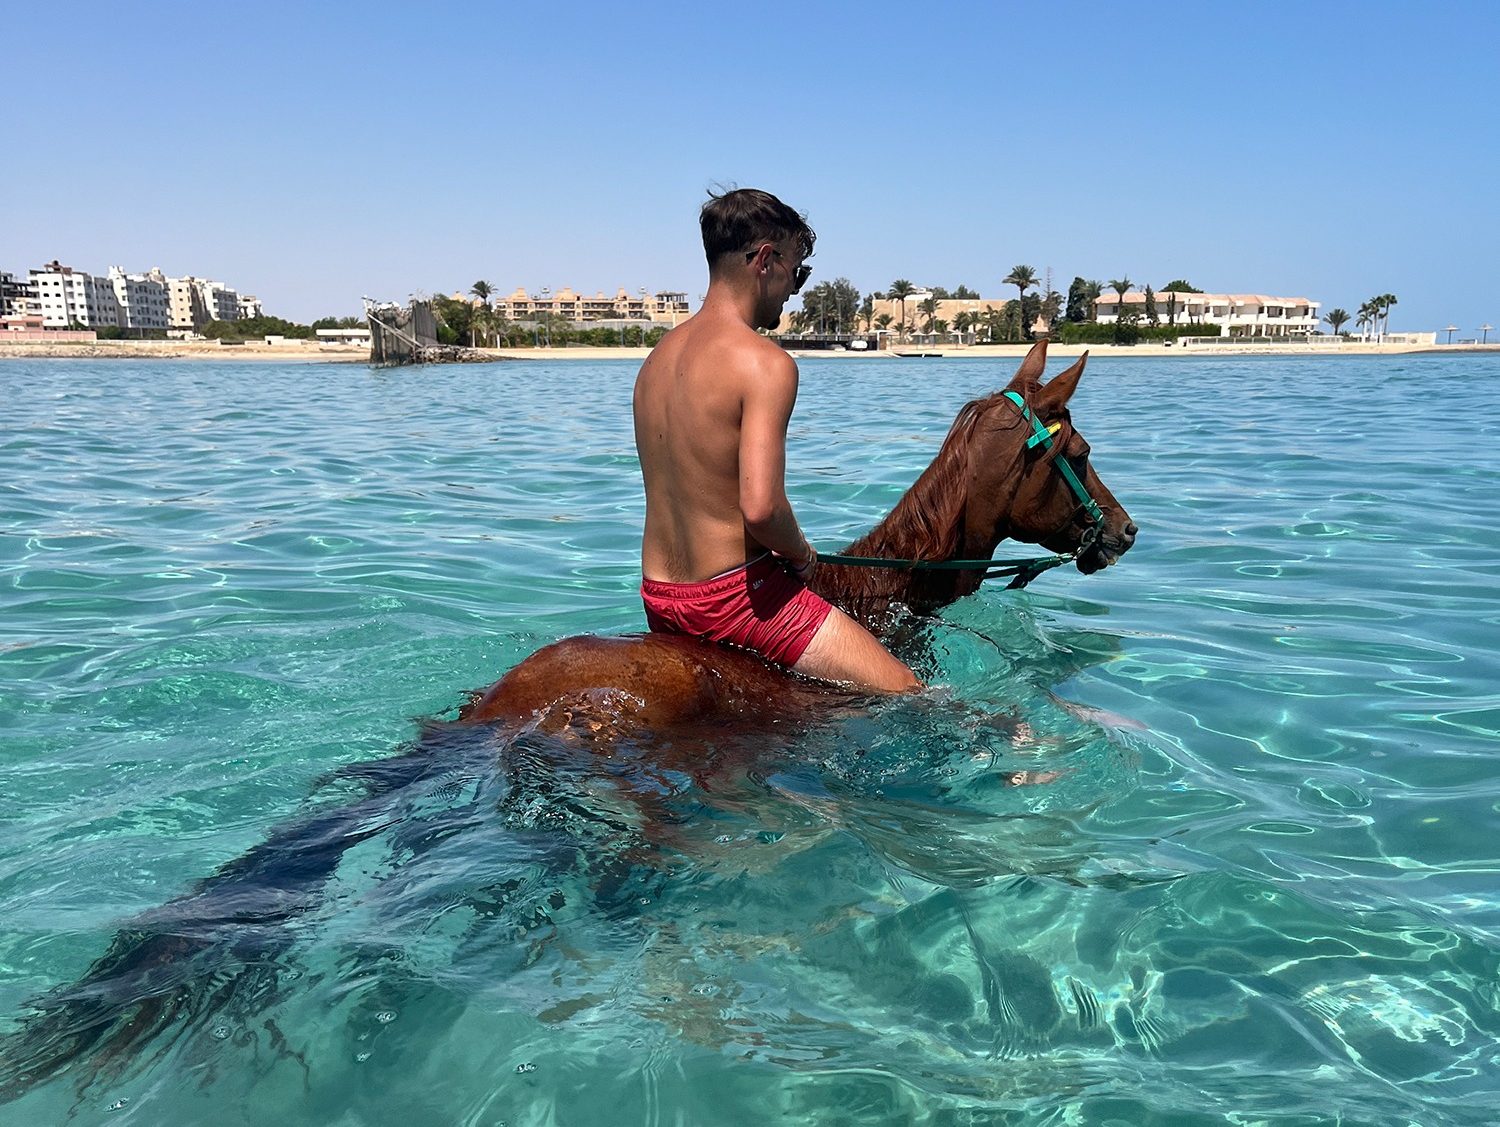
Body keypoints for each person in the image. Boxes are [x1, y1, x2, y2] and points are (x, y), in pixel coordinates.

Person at [632, 188, 920, 693]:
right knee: (907, 691)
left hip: (660, 596)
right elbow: (761, 508)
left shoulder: (655, 362)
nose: (795, 289)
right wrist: (804, 556)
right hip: (734, 600)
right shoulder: (765, 363)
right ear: (766, 260)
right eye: (798, 271)